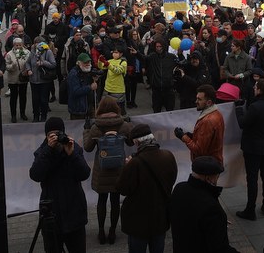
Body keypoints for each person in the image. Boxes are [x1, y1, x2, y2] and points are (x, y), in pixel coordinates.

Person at [30, 116, 91, 253]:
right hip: (52, 217)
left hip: (74, 214)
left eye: (58, 134)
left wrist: (72, 154)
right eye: (51, 135)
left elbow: (85, 174)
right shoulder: (42, 152)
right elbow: (35, 175)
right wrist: (49, 150)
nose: (56, 138)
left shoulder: (73, 148)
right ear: (46, 136)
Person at [116, 123, 178, 253]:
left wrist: (127, 167)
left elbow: (123, 189)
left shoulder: (135, 163)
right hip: (160, 218)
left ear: (137, 142)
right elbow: (171, 179)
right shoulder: (168, 156)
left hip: (138, 221)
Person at [82, 97, 133, 244]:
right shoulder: (123, 125)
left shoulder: (96, 127)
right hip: (119, 168)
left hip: (102, 169)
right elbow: (130, 141)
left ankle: (101, 231)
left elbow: (88, 147)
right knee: (116, 201)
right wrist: (129, 124)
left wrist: (86, 130)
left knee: (102, 200)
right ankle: (112, 231)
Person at [169, 156, 239, 253]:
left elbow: (185, 214)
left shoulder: (179, 188)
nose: (217, 180)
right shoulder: (212, 208)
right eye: (217, 176)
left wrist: (215, 222)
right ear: (208, 178)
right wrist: (217, 221)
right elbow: (220, 249)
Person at [234, 78, 264, 220]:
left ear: (259, 90)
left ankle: (250, 209)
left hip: (253, 147)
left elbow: (243, 124)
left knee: (252, 178)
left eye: (256, 86)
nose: (253, 88)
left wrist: (239, 110)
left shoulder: (255, 107)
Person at [174, 84, 224, 166]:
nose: (196, 101)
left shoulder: (208, 121)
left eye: (199, 99)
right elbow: (209, 141)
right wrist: (192, 136)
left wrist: (183, 137)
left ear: (209, 103)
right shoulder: (217, 114)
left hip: (206, 167)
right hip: (211, 164)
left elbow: (199, 150)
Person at [3, 37, 30, 122]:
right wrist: (13, 66)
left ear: (22, 45)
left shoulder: (26, 52)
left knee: (23, 96)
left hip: (23, 77)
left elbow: (29, 63)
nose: (18, 46)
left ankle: (23, 113)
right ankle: (13, 115)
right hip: (13, 78)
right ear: (13, 45)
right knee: (13, 97)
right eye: (16, 45)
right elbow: (6, 67)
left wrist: (27, 69)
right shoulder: (9, 54)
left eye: (20, 45)